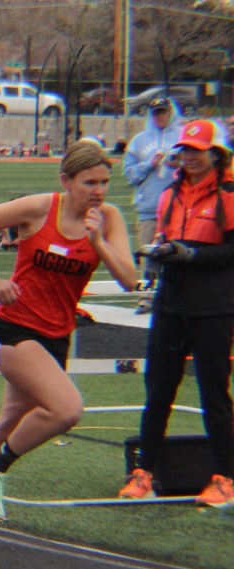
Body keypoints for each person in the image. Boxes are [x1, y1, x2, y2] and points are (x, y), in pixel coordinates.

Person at [0, 141, 136, 545]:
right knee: (67, 409)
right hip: (14, 330)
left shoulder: (108, 218)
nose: (98, 191)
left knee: (9, 423)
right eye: (89, 182)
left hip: (57, 337)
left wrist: (99, 242)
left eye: (104, 182)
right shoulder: (40, 208)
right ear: (66, 181)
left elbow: (130, 280)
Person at [119, 120, 234, 507]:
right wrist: (158, 252)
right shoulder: (170, 193)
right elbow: (166, 239)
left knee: (214, 394)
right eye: (185, 150)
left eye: (197, 150)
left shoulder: (229, 195)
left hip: (213, 308)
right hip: (170, 304)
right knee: (158, 391)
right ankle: (144, 472)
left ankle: (225, 477)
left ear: (215, 154)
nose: (189, 156)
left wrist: (192, 255)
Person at [123, 98, 181, 314]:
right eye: (156, 113)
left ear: (171, 113)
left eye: (163, 112)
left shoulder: (182, 136)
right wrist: (148, 165)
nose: (160, 116)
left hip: (178, 208)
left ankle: (176, 298)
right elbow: (129, 174)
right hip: (149, 208)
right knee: (149, 256)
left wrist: (178, 163)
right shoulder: (139, 141)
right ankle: (146, 299)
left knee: (176, 255)